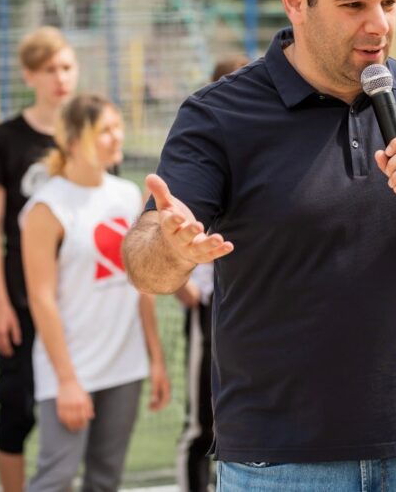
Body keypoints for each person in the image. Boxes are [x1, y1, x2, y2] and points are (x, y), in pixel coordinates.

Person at [123, 0, 396, 491]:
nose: (378, 25)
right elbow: (143, 262)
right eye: (353, 4)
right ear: (294, 1)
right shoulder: (218, 115)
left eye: (389, 2)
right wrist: (173, 249)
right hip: (280, 463)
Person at [21, 94, 170, 492]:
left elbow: (142, 289)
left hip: (125, 365)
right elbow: (41, 299)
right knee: (55, 477)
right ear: (72, 139)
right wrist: (68, 380)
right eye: (105, 129)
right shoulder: (46, 207)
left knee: (105, 480)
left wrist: (155, 359)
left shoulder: (126, 195)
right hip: (71, 370)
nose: (117, 136)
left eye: (117, 126)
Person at [0, 26, 78, 492]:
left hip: (79, 299)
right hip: (23, 298)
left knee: (77, 400)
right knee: (15, 406)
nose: (60, 78)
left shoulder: (88, 137)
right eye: (49, 69)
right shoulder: (5, 138)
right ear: (29, 75)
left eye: (66, 67)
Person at [173, 53, 250, 492]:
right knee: (204, 422)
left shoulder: (269, 146)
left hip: (263, 306)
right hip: (212, 309)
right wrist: (184, 281)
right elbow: (167, 221)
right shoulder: (203, 144)